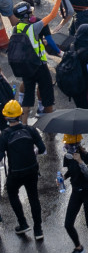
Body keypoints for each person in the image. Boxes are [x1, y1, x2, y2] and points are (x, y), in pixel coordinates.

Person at [10, 0, 62, 123]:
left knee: (28, 97)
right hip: (39, 66)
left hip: (26, 67)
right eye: (31, 13)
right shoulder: (34, 27)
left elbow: (27, 43)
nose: (33, 15)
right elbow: (53, 15)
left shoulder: (16, 28)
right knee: (47, 94)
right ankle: (50, 123)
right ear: (27, 15)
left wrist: (40, 42)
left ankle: (23, 124)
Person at [0, 101, 46, 240]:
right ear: (20, 115)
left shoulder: (5, 135)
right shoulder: (30, 130)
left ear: (6, 117)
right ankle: (38, 230)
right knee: (33, 198)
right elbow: (42, 149)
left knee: (12, 193)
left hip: (16, 173)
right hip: (32, 170)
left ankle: (23, 223)